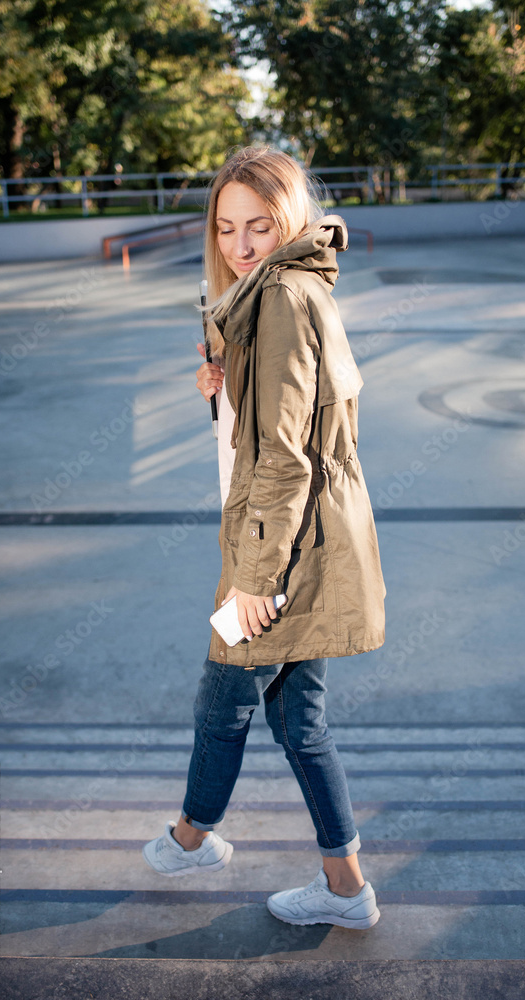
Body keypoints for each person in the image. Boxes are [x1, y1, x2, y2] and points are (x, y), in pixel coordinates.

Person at [142, 146, 387, 930]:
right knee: (299, 722)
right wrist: (221, 386)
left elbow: (283, 461)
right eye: (225, 227)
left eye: (258, 226)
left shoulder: (278, 298)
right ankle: (345, 887)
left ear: (289, 219)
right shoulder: (292, 287)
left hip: (278, 552)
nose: (240, 244)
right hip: (305, 542)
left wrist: (254, 579)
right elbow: (284, 425)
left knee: (222, 701)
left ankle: (190, 840)